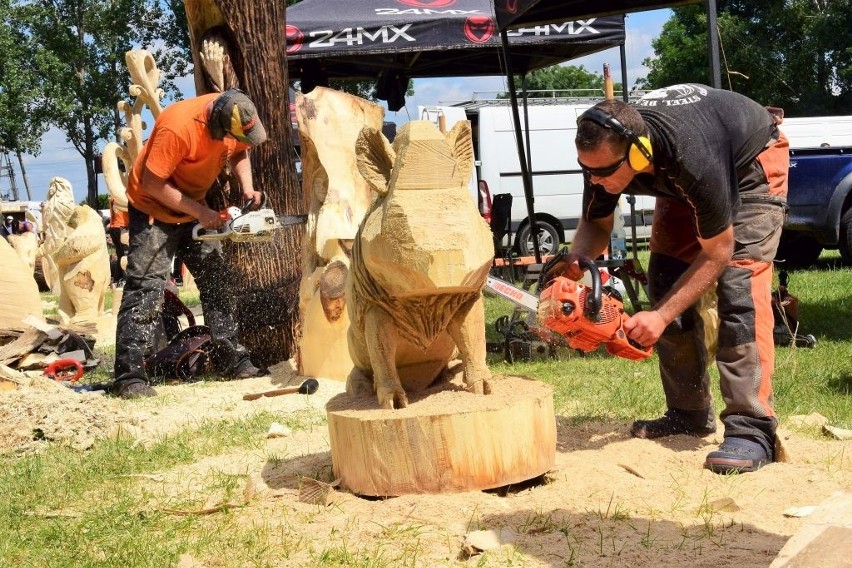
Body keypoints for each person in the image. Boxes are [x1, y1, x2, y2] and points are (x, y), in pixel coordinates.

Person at [552, 84, 788, 474]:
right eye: (586, 170)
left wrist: (658, 318)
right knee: (665, 278)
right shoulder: (602, 157)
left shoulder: (693, 155)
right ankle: (688, 412)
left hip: (750, 163)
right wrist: (577, 260)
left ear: (639, 152)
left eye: (603, 172)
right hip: (679, 181)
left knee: (738, 287)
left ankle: (753, 427)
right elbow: (596, 222)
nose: (593, 180)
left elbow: (718, 252)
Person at [111, 89, 268, 399]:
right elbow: (154, 184)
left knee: (218, 280)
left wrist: (247, 187)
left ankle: (232, 360)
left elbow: (239, 152)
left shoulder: (235, 113)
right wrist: (202, 213)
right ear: (216, 123)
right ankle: (129, 377)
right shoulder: (177, 127)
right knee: (146, 288)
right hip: (154, 206)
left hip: (194, 204)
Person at [107, 196, 129, 283]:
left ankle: (117, 279)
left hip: (114, 228)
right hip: (122, 227)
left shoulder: (113, 197)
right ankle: (125, 279)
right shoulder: (122, 197)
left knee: (120, 255)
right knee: (125, 256)